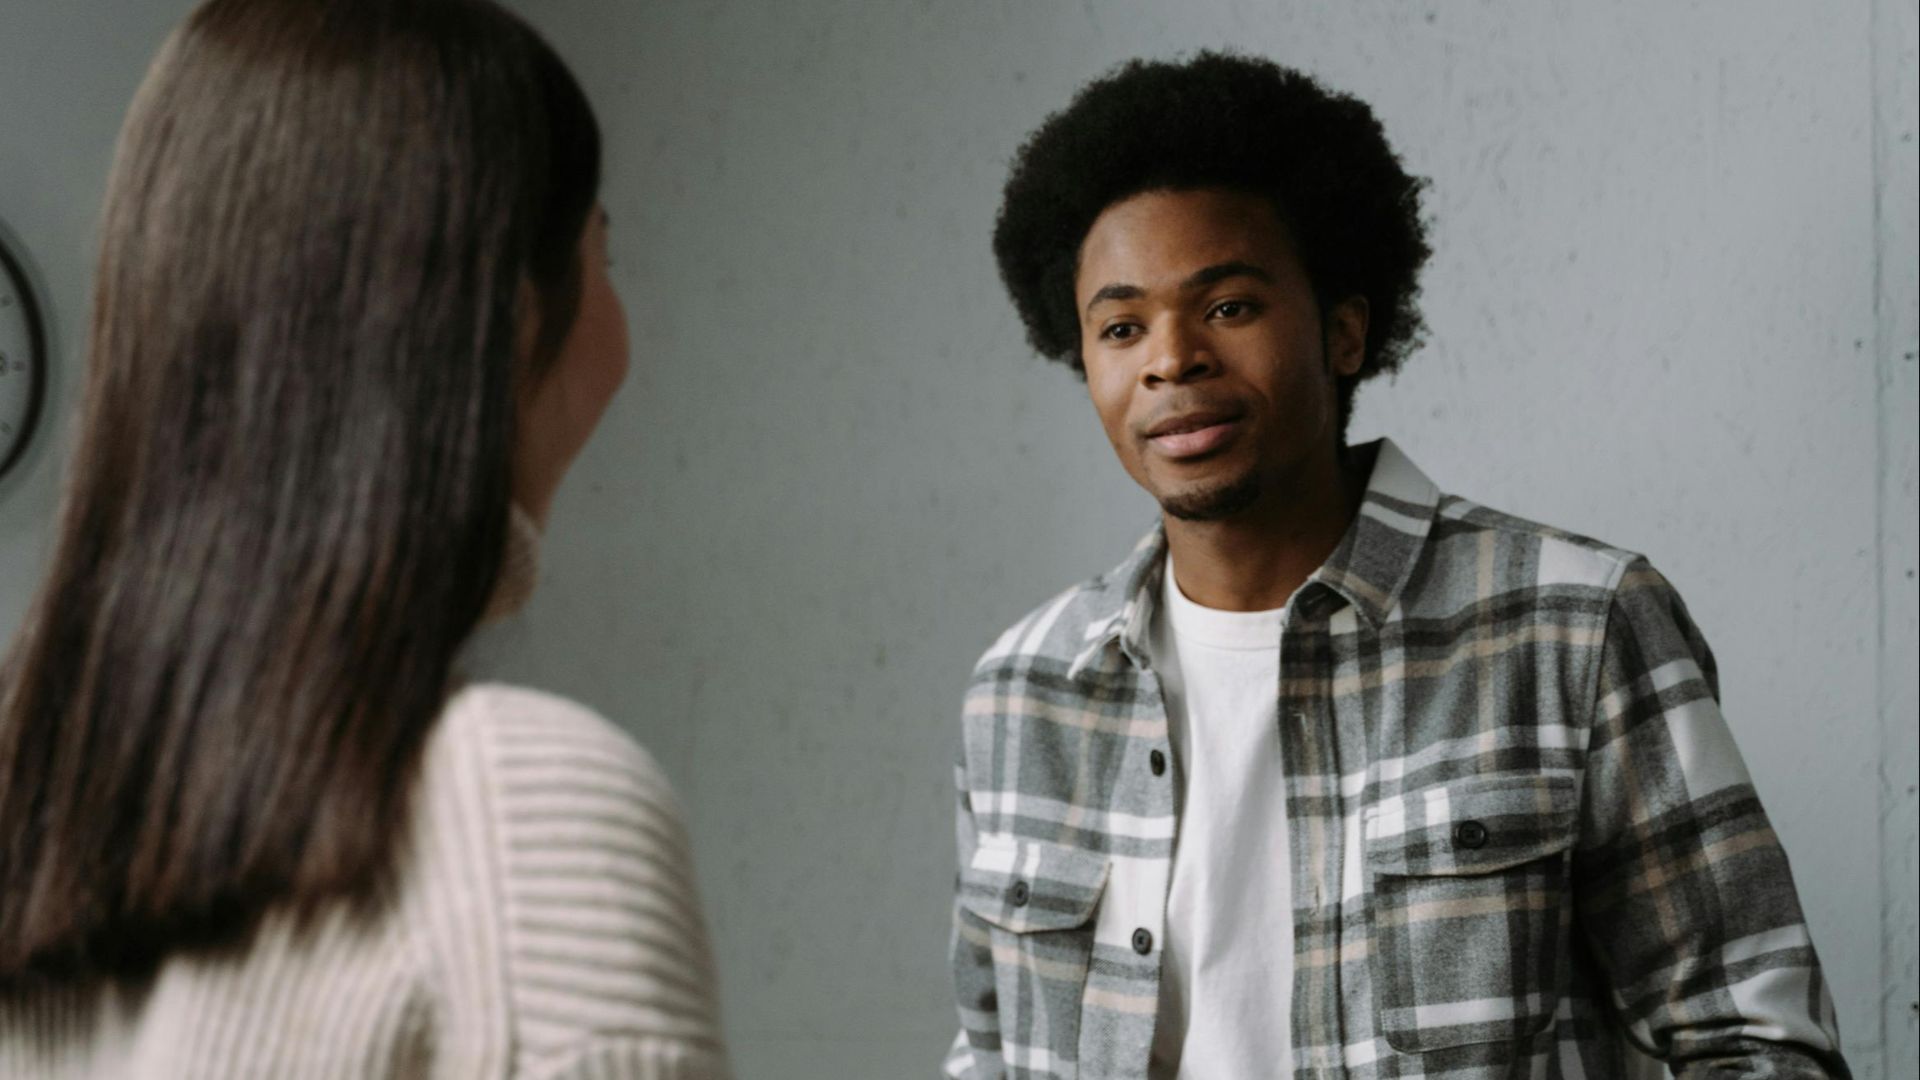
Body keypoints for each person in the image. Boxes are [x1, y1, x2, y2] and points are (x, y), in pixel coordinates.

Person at [946, 52, 1848, 1080]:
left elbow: (1758, 1044)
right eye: (1120, 328)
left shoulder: (1575, 629)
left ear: (1344, 331)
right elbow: (987, 1056)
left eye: (1228, 307)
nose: (1170, 359)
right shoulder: (1022, 692)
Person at [0, 1, 729, 1076]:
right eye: (602, 252)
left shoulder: (34, 818)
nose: (623, 331)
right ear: (512, 317)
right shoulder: (521, 816)